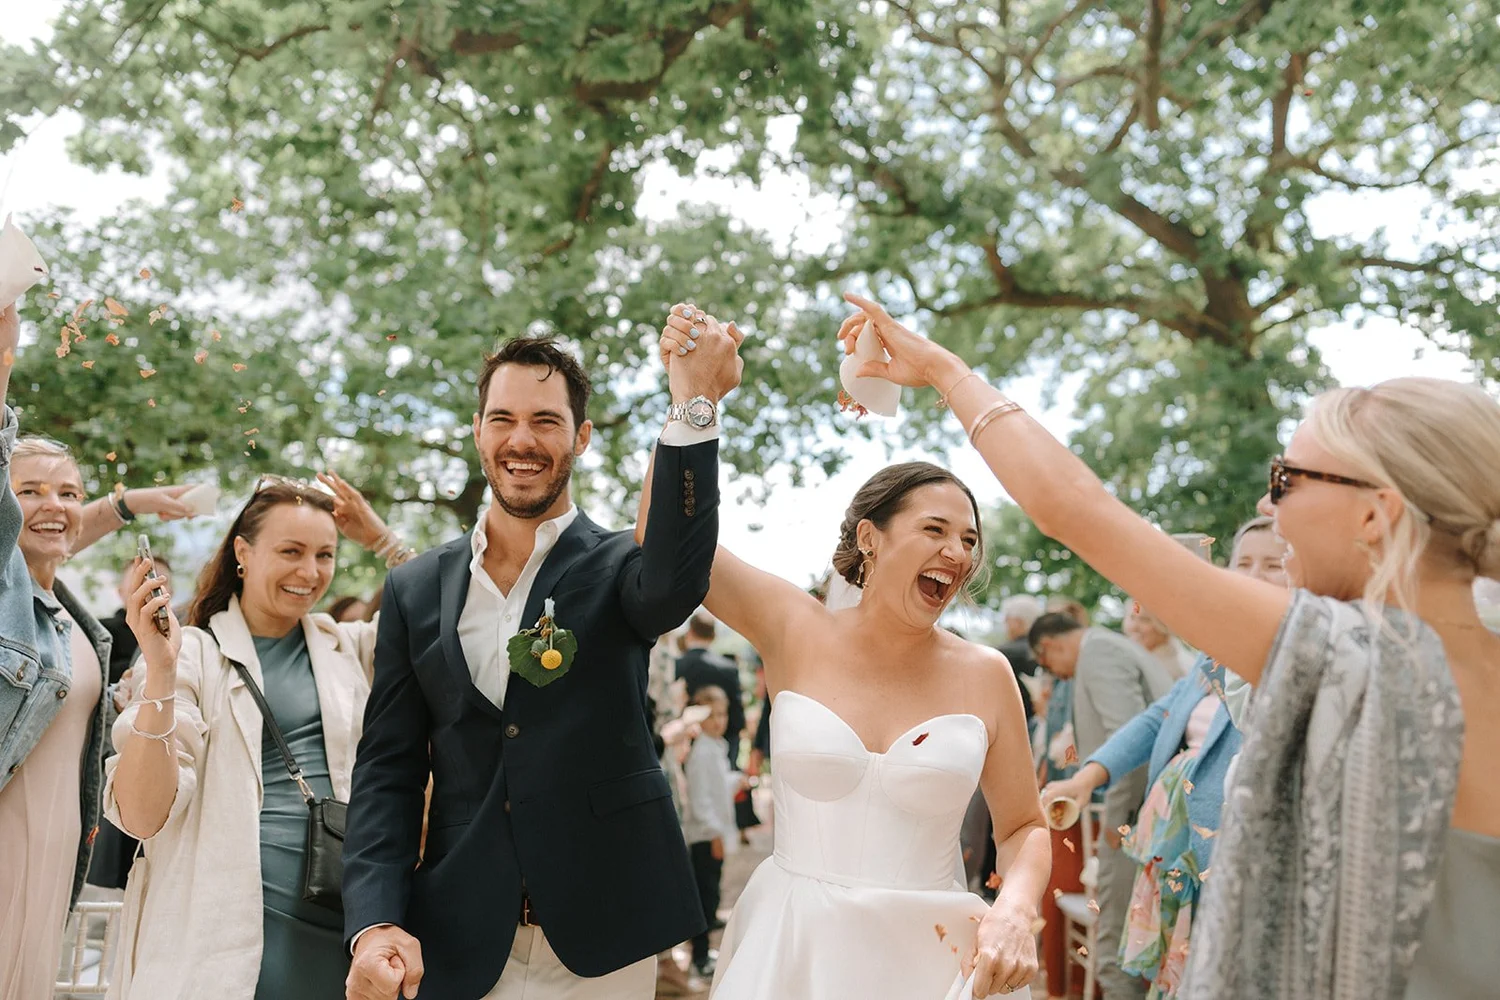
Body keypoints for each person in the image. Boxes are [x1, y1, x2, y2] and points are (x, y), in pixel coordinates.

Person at [835, 292, 1500, 999]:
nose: (1267, 507)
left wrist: (943, 370)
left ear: (1376, 515)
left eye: (1286, 481)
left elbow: (1073, 507)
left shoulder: (1345, 654)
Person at [342, 320, 741, 1000]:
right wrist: (375, 919)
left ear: (581, 438)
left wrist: (693, 404)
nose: (521, 440)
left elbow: (675, 580)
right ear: (477, 432)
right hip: (458, 937)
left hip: (604, 938)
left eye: (546, 421)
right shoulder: (415, 588)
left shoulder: (621, 566)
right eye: (502, 419)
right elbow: (388, 770)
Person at [659, 316, 1050, 999]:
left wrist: (1015, 908)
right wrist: (695, 402)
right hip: (795, 952)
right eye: (934, 529)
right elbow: (665, 539)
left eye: (968, 539)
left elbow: (1023, 826)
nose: (957, 553)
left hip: (934, 960)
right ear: (871, 538)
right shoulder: (793, 628)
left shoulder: (986, 673)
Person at [104, 470, 410, 999]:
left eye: (325, 555)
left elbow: (449, 613)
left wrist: (384, 541)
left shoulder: (350, 646)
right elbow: (141, 814)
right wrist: (160, 670)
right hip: (219, 928)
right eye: (291, 551)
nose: (309, 572)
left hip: (341, 920)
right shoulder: (191, 653)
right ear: (242, 552)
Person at [0, 301, 203, 1000]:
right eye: (28, 490)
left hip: (58, 850)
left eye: (70, 492)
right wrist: (3, 360)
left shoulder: (72, 619)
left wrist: (131, 503)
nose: (55, 505)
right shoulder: (5, 595)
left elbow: (54, 534)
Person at [1041, 517, 1288, 998]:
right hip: (1174, 843)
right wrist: (1085, 779)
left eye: (1273, 564)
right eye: (1244, 563)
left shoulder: (1294, 651)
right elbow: (1157, 718)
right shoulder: (1215, 650)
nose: (1256, 574)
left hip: (1230, 848)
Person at [1027, 612, 1174, 999]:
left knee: (1114, 944)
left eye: (1048, 665)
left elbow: (1130, 741)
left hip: (1133, 819)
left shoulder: (1098, 653)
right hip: (1146, 816)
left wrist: (1118, 821)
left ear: (1049, 647)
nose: (1057, 676)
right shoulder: (1110, 646)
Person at [680, 686, 742, 979]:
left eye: (722, 714)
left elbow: (717, 786)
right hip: (705, 836)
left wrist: (736, 781)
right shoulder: (703, 752)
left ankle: (704, 952)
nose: (718, 721)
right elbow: (701, 799)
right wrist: (714, 833)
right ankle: (700, 956)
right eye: (711, 716)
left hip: (713, 833)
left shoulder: (715, 747)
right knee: (706, 896)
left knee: (712, 890)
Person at [676, 610, 746, 765]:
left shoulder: (676, 666)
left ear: (690, 632)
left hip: (683, 750)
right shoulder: (729, 668)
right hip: (720, 751)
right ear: (714, 636)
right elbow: (737, 718)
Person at [1122, 603, 1194, 680]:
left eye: (1144, 620)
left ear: (1164, 625)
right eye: (1132, 618)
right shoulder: (1131, 657)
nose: (1133, 627)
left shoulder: (1181, 667)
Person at [997, 594, 1043, 678]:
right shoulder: (1043, 648)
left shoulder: (1006, 653)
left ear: (1018, 622)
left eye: (1007, 618)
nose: (1005, 622)